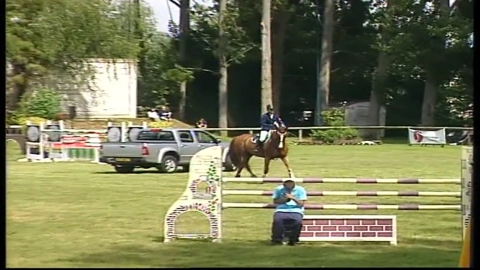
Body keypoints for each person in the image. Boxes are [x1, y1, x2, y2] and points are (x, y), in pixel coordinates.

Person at [271, 178, 307, 246]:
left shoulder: (300, 189)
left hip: (296, 210)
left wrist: (292, 198)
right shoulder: (279, 189)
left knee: (297, 222)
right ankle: (277, 240)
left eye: (290, 183)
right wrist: (284, 199)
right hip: (281, 209)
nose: (288, 185)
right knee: (277, 221)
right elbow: (275, 201)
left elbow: (301, 204)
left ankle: (293, 240)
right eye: (287, 183)